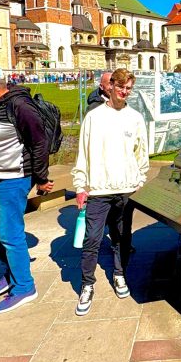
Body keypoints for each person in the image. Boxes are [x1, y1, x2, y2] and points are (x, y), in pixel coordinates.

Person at [0, 62, 53, 314]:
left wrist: (41, 178)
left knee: (10, 234)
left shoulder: (21, 106)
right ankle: (14, 270)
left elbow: (39, 143)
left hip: (13, 178)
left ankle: (24, 286)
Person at [72, 68, 149, 315]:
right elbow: (83, 154)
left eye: (129, 88)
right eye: (120, 87)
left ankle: (119, 274)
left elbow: (141, 153)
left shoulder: (135, 118)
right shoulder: (94, 117)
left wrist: (140, 178)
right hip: (98, 189)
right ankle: (86, 285)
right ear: (110, 86)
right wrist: (80, 185)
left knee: (120, 236)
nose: (124, 92)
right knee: (92, 239)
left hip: (126, 188)